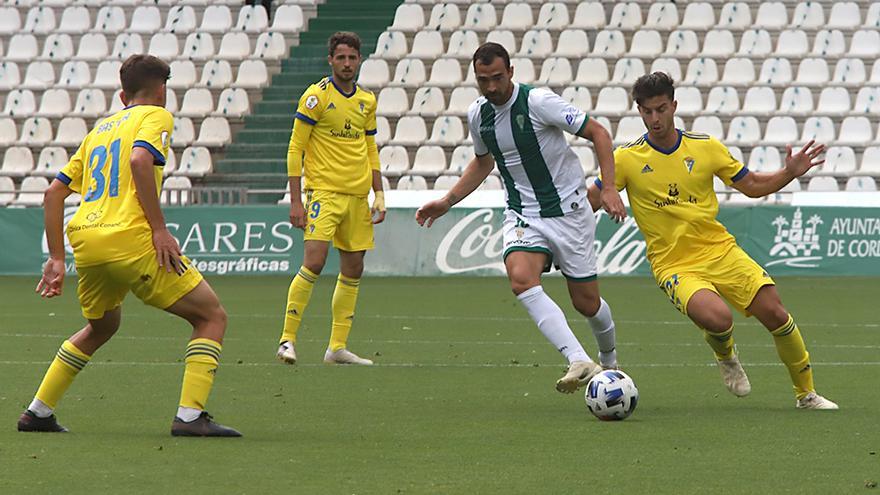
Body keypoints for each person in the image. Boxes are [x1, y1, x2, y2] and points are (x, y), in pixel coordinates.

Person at [18, 54, 241, 436]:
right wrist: (159, 229)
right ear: (161, 90)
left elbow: (54, 194)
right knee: (211, 317)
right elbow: (140, 161)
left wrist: (56, 258)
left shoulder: (99, 131)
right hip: (130, 238)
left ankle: (38, 412)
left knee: (101, 326)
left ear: (123, 95)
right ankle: (190, 417)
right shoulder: (156, 116)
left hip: (87, 240)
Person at [589, 72, 837, 409]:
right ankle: (726, 354)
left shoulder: (705, 147)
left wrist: (788, 173)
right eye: (647, 111)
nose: (655, 119)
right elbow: (585, 201)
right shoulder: (626, 159)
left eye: (661, 109)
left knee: (776, 313)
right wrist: (605, 195)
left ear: (674, 105)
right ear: (639, 111)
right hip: (674, 263)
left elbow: (751, 185)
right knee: (719, 318)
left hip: (720, 250)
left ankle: (806, 394)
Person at [416, 43, 627, 394]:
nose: (492, 87)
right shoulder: (477, 114)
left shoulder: (538, 102)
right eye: (483, 81)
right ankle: (578, 358)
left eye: (497, 78)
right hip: (523, 213)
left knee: (586, 303)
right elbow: (484, 162)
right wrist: (447, 201)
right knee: (521, 279)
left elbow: (599, 134)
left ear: (511, 72)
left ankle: (610, 360)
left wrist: (608, 189)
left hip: (570, 214)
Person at [277, 31, 385, 366]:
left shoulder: (367, 100)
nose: (347, 63)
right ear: (330, 60)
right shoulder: (315, 97)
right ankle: (287, 340)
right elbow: (296, 149)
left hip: (357, 196)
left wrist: (379, 192)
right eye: (341, 57)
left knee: (354, 268)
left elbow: (369, 148)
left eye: (352, 58)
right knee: (314, 261)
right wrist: (296, 201)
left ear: (360, 59)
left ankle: (336, 347)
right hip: (323, 191)